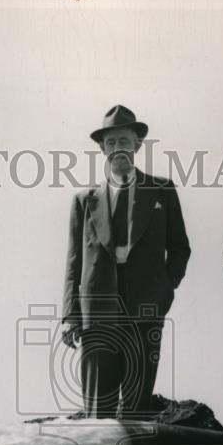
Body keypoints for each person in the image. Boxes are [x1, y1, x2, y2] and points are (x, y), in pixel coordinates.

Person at [62, 104, 191, 418]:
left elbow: (180, 248)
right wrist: (70, 316)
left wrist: (163, 292)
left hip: (145, 314)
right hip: (97, 316)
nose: (117, 148)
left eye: (123, 140)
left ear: (137, 144)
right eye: (110, 143)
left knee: (136, 409)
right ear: (102, 149)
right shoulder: (84, 200)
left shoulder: (162, 190)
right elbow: (73, 263)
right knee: (97, 412)